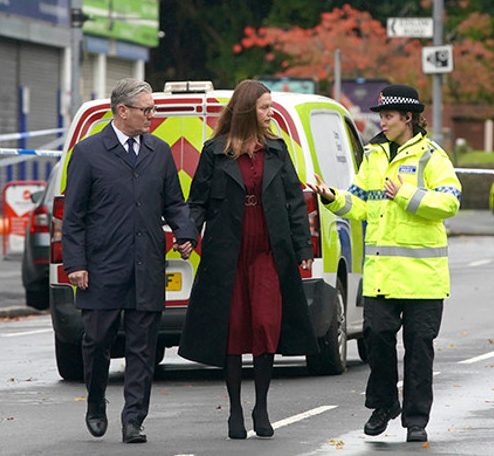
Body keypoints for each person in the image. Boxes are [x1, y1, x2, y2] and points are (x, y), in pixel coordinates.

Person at [307, 84, 461, 443]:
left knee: (419, 348)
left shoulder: (431, 157)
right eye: (382, 115)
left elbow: (450, 202)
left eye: (389, 116)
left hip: (423, 278)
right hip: (382, 276)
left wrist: (405, 194)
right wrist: (332, 198)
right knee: (377, 339)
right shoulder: (373, 155)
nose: (383, 121)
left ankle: (416, 419)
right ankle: (384, 404)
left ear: (408, 118)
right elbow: (360, 202)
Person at [178, 79, 318, 440]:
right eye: (265, 107)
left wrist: (304, 250)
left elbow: (293, 202)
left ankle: (262, 407)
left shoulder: (275, 149)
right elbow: (199, 203)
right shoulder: (214, 151)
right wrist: (189, 236)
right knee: (234, 329)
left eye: (270, 107)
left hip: (269, 251)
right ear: (247, 110)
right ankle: (236, 410)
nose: (271, 114)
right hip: (228, 254)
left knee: (266, 326)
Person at [62, 78, 198, 444]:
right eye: (146, 110)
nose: (152, 116)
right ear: (122, 111)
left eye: (153, 110)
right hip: (102, 266)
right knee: (95, 340)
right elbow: (72, 215)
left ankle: (134, 419)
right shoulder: (89, 152)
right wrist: (75, 264)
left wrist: (185, 233)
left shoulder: (159, 151)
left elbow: (174, 202)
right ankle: (95, 401)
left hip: (147, 265)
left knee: (143, 347)